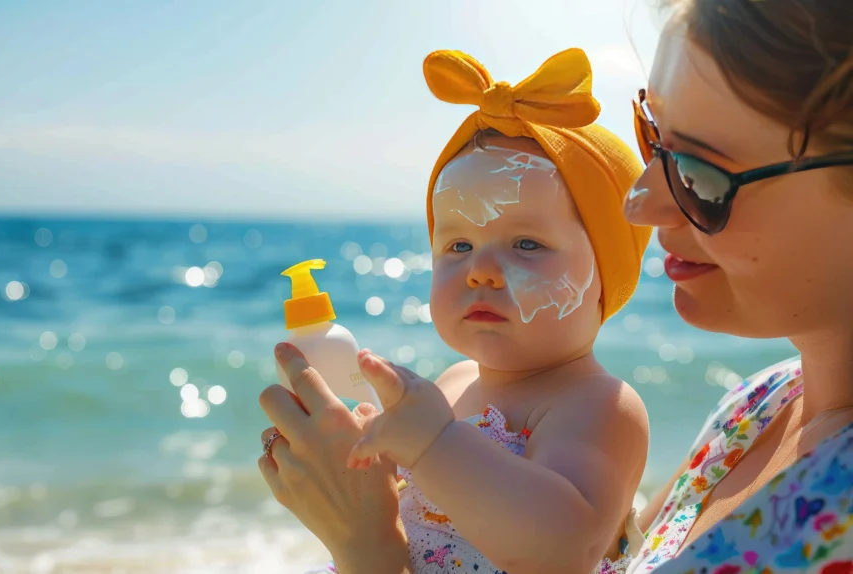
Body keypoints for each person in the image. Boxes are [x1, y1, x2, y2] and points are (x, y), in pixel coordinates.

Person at [257, 0, 853, 572]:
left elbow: (560, 551)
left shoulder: (601, 409)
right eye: (655, 143)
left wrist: (370, 550)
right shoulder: (755, 408)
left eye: (699, 171)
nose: (640, 204)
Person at [259, 47, 653, 573]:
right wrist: (348, 456)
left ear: (607, 274)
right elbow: (385, 522)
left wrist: (435, 443)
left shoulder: (599, 405)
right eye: (459, 246)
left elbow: (566, 550)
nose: (479, 271)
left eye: (528, 244)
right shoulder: (452, 383)